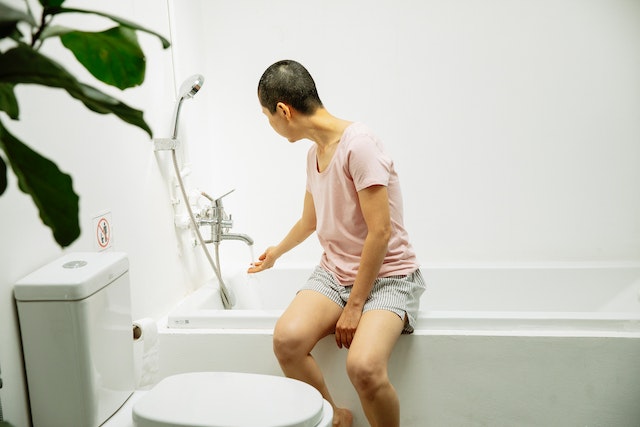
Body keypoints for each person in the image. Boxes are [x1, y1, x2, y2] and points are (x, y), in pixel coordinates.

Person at [248, 59, 425, 427]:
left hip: (387, 277)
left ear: (284, 110)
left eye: (267, 116)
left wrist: (354, 306)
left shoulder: (359, 145)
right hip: (335, 274)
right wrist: (276, 253)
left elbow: (381, 232)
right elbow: (309, 221)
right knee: (287, 341)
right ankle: (336, 418)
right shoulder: (314, 154)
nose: (270, 124)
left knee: (363, 368)